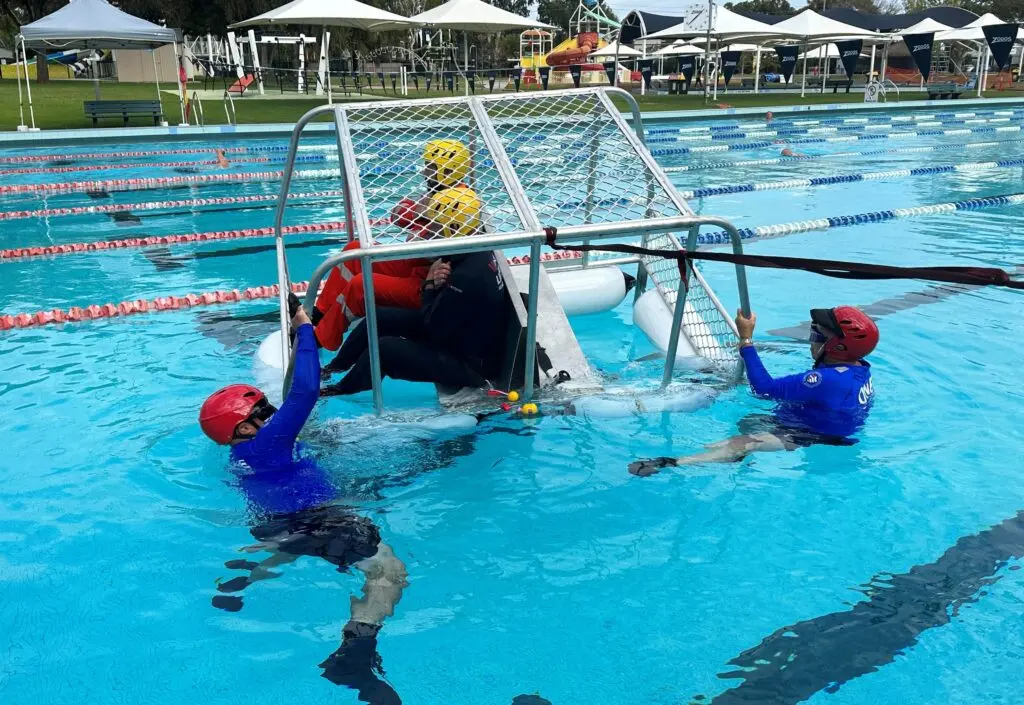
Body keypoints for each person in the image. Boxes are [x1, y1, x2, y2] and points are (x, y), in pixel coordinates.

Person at [199, 298, 408, 704]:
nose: (273, 411)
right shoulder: (268, 440)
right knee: (388, 573)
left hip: (275, 523)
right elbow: (306, 390)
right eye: (262, 409)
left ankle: (247, 572)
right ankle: (354, 653)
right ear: (244, 426)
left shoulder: (243, 454)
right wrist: (305, 326)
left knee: (293, 541)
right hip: (322, 520)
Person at [629, 305, 877, 475]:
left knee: (743, 443)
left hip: (814, 436)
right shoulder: (860, 368)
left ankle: (671, 463)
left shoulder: (825, 379)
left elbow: (764, 389)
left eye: (817, 335)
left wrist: (746, 340)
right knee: (750, 420)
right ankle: (732, 456)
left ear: (838, 348)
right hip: (821, 425)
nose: (811, 340)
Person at [321, 187, 507, 397]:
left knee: (385, 349)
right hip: (458, 338)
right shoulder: (472, 250)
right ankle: (335, 367)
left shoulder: (466, 276)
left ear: (452, 228)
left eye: (435, 226)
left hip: (467, 366)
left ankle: (342, 390)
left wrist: (429, 285)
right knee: (380, 316)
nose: (430, 232)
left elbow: (433, 326)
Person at [313, 139, 474, 351]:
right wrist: (422, 212)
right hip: (413, 264)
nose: (425, 172)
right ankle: (319, 315)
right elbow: (397, 216)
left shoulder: (460, 204)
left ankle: (322, 339)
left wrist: (423, 215)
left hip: (430, 284)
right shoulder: (436, 194)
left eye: (431, 167)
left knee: (361, 284)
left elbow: (433, 248)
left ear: (448, 170)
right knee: (354, 251)